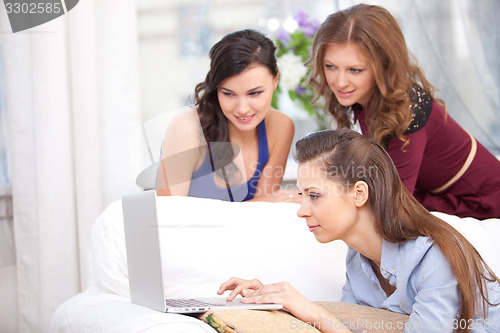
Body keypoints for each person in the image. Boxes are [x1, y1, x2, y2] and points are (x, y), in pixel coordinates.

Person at [218, 129, 500, 333]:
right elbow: (349, 326)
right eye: (301, 195)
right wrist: (275, 301)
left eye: (314, 195)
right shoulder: (358, 261)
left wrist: (314, 311)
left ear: (359, 193)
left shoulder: (434, 258)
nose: (301, 210)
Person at [306, 4, 500, 219]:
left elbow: (391, 204)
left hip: (481, 200)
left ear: (385, 66)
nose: (340, 82)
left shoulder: (406, 113)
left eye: (355, 70)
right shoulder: (365, 95)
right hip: (428, 192)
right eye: (330, 66)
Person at [155, 29, 296, 202]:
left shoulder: (280, 127)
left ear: (275, 80)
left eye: (254, 93)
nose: (242, 109)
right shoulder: (187, 128)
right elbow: (166, 217)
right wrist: (266, 203)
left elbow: (262, 215)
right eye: (228, 94)